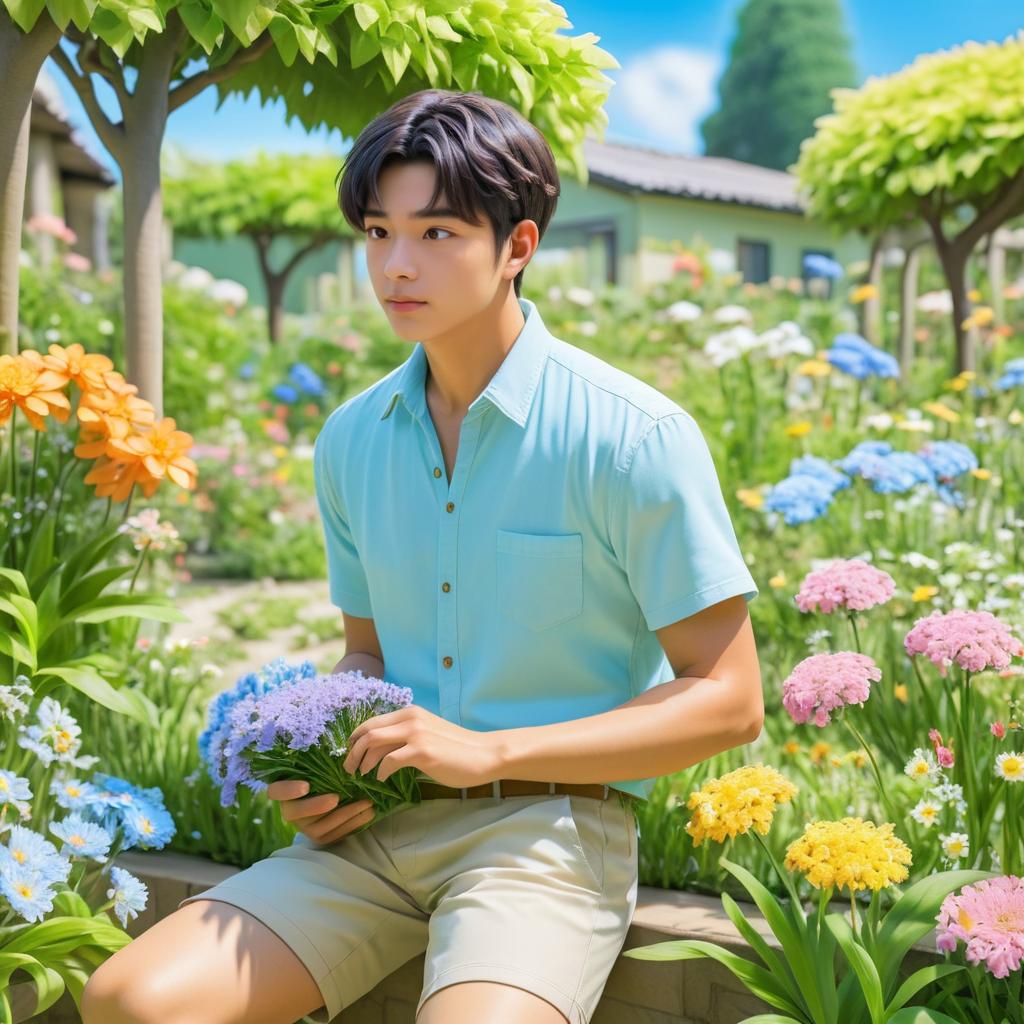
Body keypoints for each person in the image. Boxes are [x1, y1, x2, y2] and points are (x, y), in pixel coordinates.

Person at [80, 88, 764, 1024]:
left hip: (549, 836)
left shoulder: (632, 437)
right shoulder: (351, 440)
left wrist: (487, 752)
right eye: (377, 231)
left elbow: (729, 699)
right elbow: (368, 654)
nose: (397, 266)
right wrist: (321, 767)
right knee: (129, 1001)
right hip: (373, 837)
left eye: (437, 232)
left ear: (517, 247)